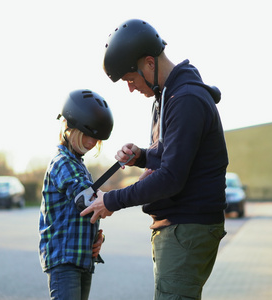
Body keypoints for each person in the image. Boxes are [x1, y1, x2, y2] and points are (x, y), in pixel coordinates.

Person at [81, 19, 229, 300]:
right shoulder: (169, 97)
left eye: (130, 79)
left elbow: (172, 177)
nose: (131, 88)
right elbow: (172, 158)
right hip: (178, 228)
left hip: (186, 227)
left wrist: (111, 200)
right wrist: (141, 156)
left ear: (149, 63)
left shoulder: (185, 99)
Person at [39, 89, 113, 300]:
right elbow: (86, 200)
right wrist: (117, 198)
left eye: (97, 138)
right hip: (65, 261)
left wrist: (98, 237)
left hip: (81, 259)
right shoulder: (62, 162)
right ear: (69, 127)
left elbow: (87, 209)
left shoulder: (78, 164)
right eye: (88, 134)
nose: (92, 142)